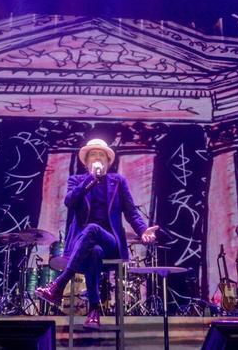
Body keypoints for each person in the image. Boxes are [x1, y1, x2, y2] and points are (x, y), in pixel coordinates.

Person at [34, 138, 159, 328]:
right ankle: (94, 310)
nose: (98, 157)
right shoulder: (76, 181)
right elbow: (70, 202)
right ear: (86, 162)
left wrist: (143, 231)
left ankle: (59, 284)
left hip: (112, 242)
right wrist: (90, 180)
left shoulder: (117, 181)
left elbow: (131, 211)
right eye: (93, 154)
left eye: (102, 155)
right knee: (94, 252)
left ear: (108, 161)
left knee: (93, 229)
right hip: (85, 246)